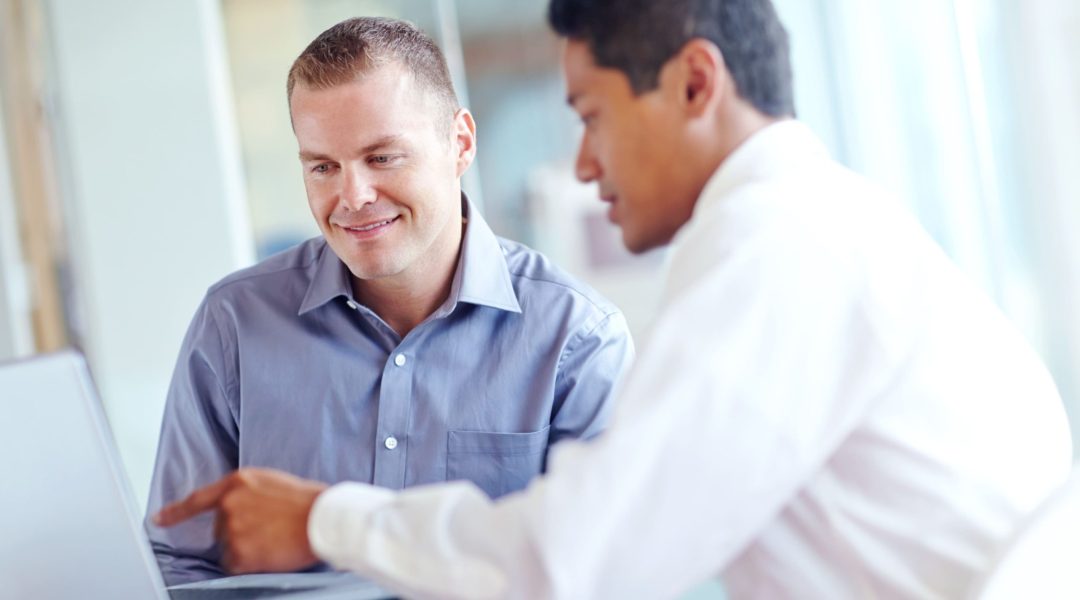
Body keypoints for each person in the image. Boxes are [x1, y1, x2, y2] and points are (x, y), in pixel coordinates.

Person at [155, 1, 1074, 597]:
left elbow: (584, 556)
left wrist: (322, 518)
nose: (583, 161)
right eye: (323, 165)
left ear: (694, 84)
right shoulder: (799, 233)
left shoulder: (781, 250)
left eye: (591, 115)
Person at [145, 16, 634, 585]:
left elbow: (599, 572)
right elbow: (177, 566)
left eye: (382, 158)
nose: (351, 197)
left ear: (461, 142)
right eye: (323, 167)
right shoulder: (233, 325)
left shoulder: (577, 339)